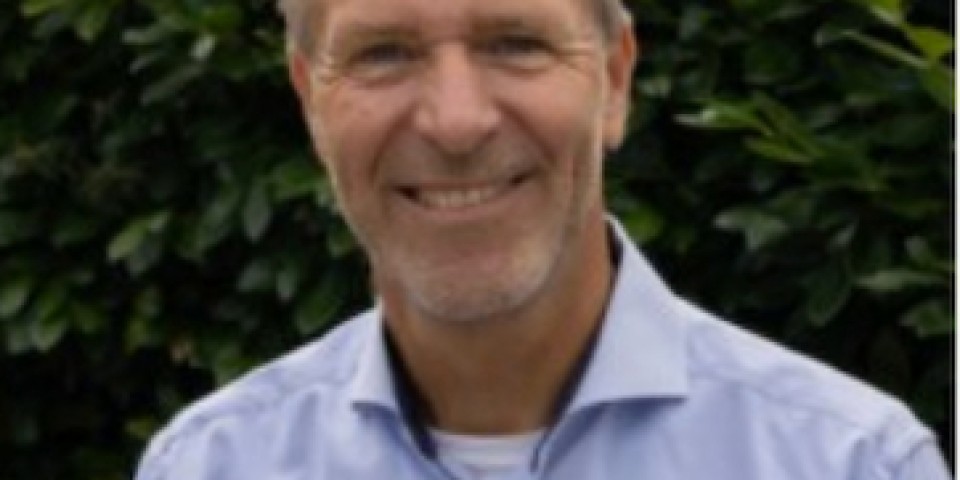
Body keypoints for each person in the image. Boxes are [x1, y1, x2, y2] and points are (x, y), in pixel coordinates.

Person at [135, 0, 952, 478]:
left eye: (516, 43)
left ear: (615, 81)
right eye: (384, 53)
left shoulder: (848, 464)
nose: (457, 121)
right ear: (310, 102)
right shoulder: (211, 466)